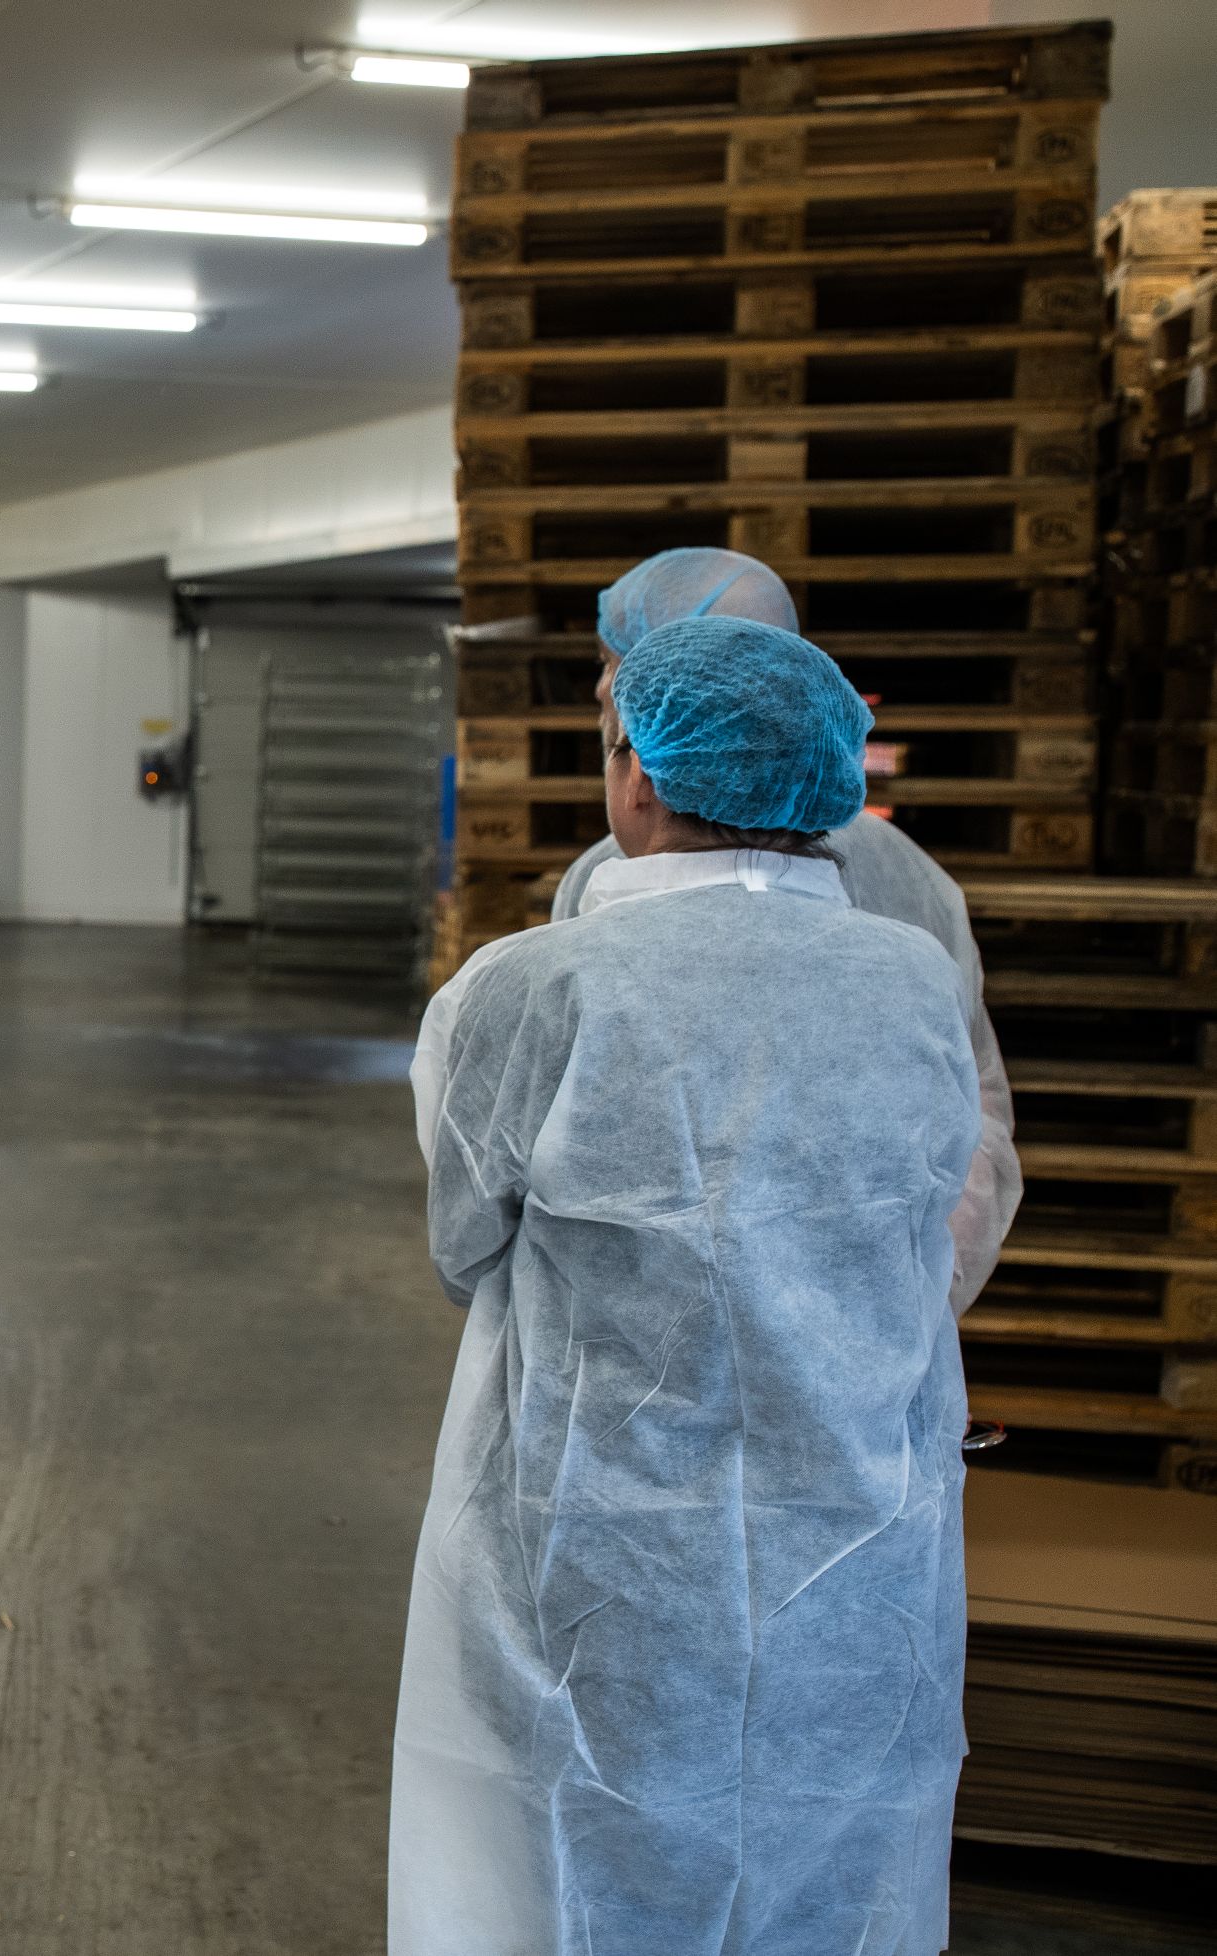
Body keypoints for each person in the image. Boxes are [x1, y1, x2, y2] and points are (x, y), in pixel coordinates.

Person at [395, 614, 986, 1956]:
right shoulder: (909, 980)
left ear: (637, 776)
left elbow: (466, 1244)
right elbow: (923, 1222)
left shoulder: (530, 988)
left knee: (579, 1856)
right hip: (853, 1535)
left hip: (599, 1534)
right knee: (826, 1855)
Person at [550, 546, 1019, 1306]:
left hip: (653, 1321)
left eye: (612, 663)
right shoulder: (914, 878)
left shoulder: (602, 885)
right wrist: (902, 1304)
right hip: (875, 1308)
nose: (600, 686)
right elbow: (970, 1115)